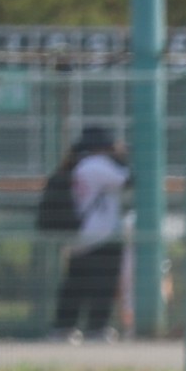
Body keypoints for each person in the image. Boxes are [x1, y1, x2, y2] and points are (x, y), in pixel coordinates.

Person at [50, 125, 129, 342]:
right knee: (102, 285)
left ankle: (64, 327)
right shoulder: (97, 164)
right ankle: (96, 328)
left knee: (76, 284)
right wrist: (124, 157)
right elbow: (128, 179)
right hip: (100, 236)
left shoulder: (80, 164)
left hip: (81, 235)